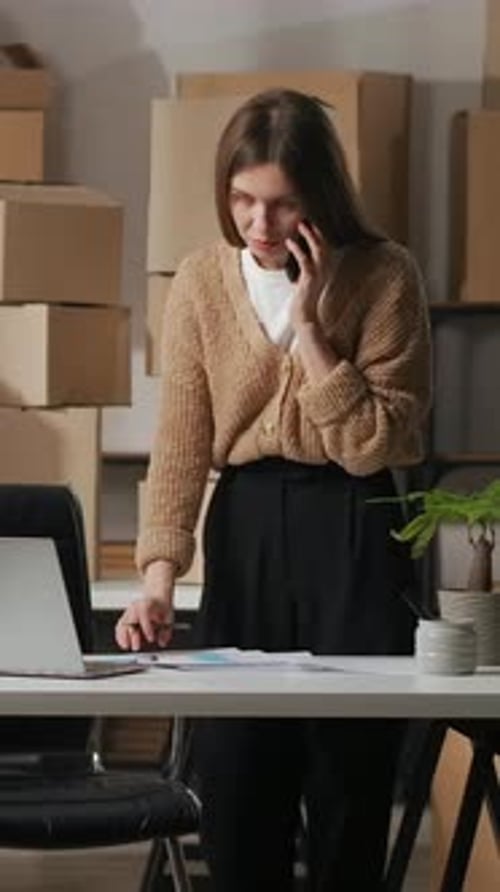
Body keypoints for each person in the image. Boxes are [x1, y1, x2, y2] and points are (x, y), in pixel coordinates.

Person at [116, 88, 431, 891]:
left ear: (320, 196)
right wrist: (156, 582)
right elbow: (183, 443)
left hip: (355, 525)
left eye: (282, 205)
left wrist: (315, 327)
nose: (259, 225)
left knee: (348, 785)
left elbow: (380, 446)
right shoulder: (198, 282)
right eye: (243, 200)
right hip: (246, 524)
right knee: (237, 776)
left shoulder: (386, 275)